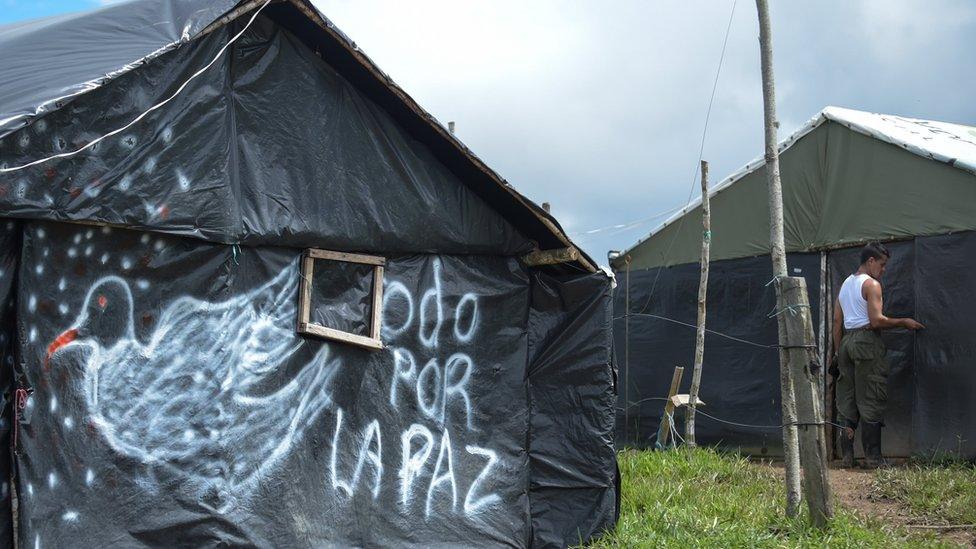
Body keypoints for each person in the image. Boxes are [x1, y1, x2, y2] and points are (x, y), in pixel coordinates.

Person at [831, 242, 924, 468]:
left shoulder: (845, 283)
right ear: (870, 261)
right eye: (882, 265)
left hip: (846, 342)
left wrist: (837, 351)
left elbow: (836, 322)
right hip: (866, 341)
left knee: (847, 397)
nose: (883, 270)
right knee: (872, 394)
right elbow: (876, 321)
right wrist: (904, 322)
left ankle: (847, 457)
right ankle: (873, 459)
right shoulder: (871, 284)